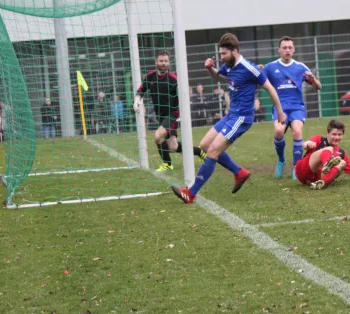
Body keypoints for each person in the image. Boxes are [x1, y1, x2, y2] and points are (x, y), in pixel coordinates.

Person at [171, 33, 286, 204]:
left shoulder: (249, 68)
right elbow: (218, 77)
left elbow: (270, 88)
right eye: (220, 54)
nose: (221, 57)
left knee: (212, 151)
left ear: (235, 51)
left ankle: (191, 193)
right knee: (204, 145)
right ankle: (239, 173)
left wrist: (281, 112)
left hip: (242, 118)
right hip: (231, 115)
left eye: (224, 54)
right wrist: (210, 68)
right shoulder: (229, 65)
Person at [133, 50, 205, 171]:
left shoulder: (173, 79)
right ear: (156, 61)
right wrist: (137, 100)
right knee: (174, 146)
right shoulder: (150, 76)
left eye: (166, 61)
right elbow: (141, 89)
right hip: (161, 116)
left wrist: (183, 111)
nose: (163, 63)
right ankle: (199, 151)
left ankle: (167, 164)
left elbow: (184, 94)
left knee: (157, 136)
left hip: (173, 114)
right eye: (161, 61)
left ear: (169, 62)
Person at [263, 36, 322, 180]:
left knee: (297, 132)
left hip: (297, 107)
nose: (287, 50)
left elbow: (318, 87)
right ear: (279, 50)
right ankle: (281, 160)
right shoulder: (270, 67)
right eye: (284, 48)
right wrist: (259, 72)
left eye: (290, 48)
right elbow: (259, 82)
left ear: (294, 50)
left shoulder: (301, 67)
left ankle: (297, 168)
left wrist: (312, 80)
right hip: (280, 107)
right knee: (278, 131)